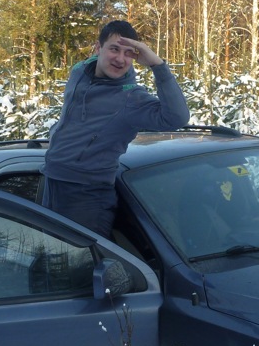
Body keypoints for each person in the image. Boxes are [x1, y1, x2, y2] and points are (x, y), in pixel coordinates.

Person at [41, 20, 190, 237]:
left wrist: (158, 65)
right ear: (98, 48)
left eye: (129, 53)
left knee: (79, 266)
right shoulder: (80, 72)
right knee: (50, 259)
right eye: (114, 49)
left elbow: (177, 118)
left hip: (86, 197)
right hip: (52, 183)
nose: (120, 59)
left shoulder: (131, 98)